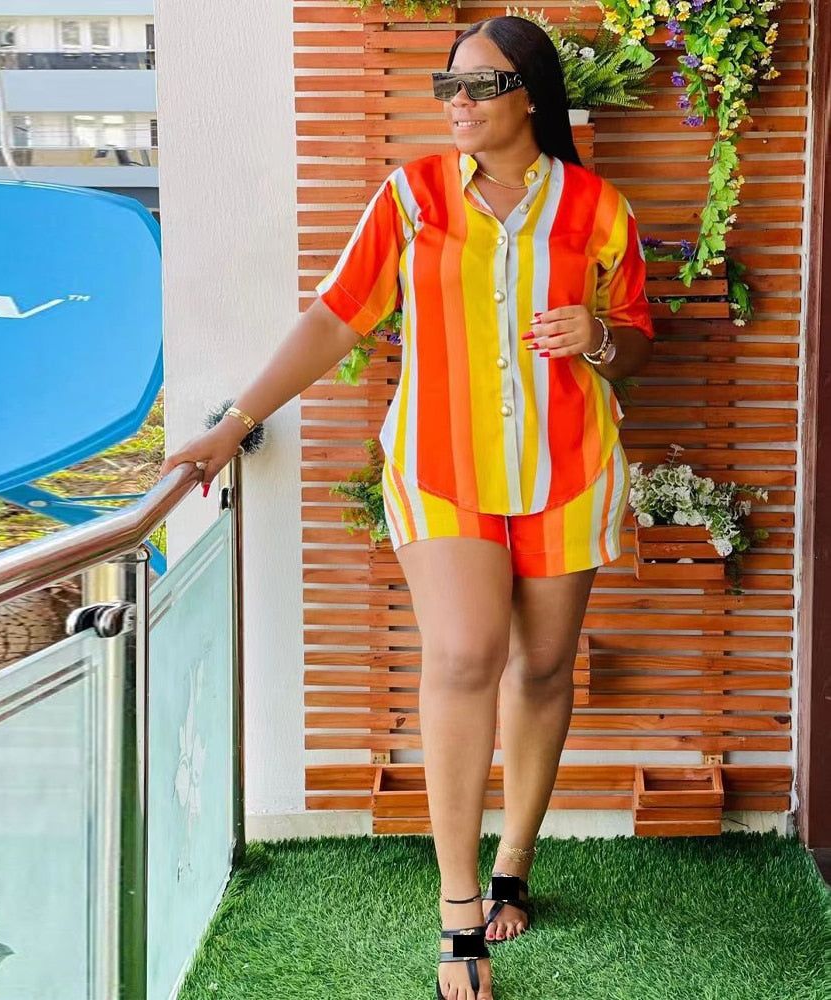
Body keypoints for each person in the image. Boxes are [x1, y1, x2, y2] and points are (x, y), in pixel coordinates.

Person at [159, 14, 655, 1000]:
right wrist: (236, 419)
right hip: (440, 466)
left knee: (543, 665)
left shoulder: (597, 207)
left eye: (479, 85)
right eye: (447, 86)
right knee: (466, 654)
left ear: (530, 97)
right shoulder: (411, 196)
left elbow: (635, 342)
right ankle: (459, 904)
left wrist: (598, 335)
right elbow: (334, 317)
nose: (457, 103)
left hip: (569, 465)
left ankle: (514, 862)